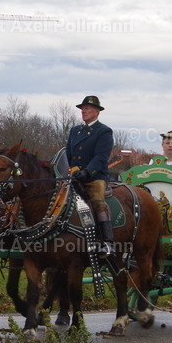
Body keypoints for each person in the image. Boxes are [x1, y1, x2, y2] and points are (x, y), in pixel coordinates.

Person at [67, 95, 115, 254]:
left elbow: (101, 157)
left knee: (97, 201)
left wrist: (87, 172)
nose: (83, 111)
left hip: (94, 177)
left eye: (87, 108)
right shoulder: (75, 130)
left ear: (97, 111)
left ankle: (108, 242)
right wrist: (71, 170)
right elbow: (69, 154)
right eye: (82, 109)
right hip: (74, 176)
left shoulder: (104, 131)